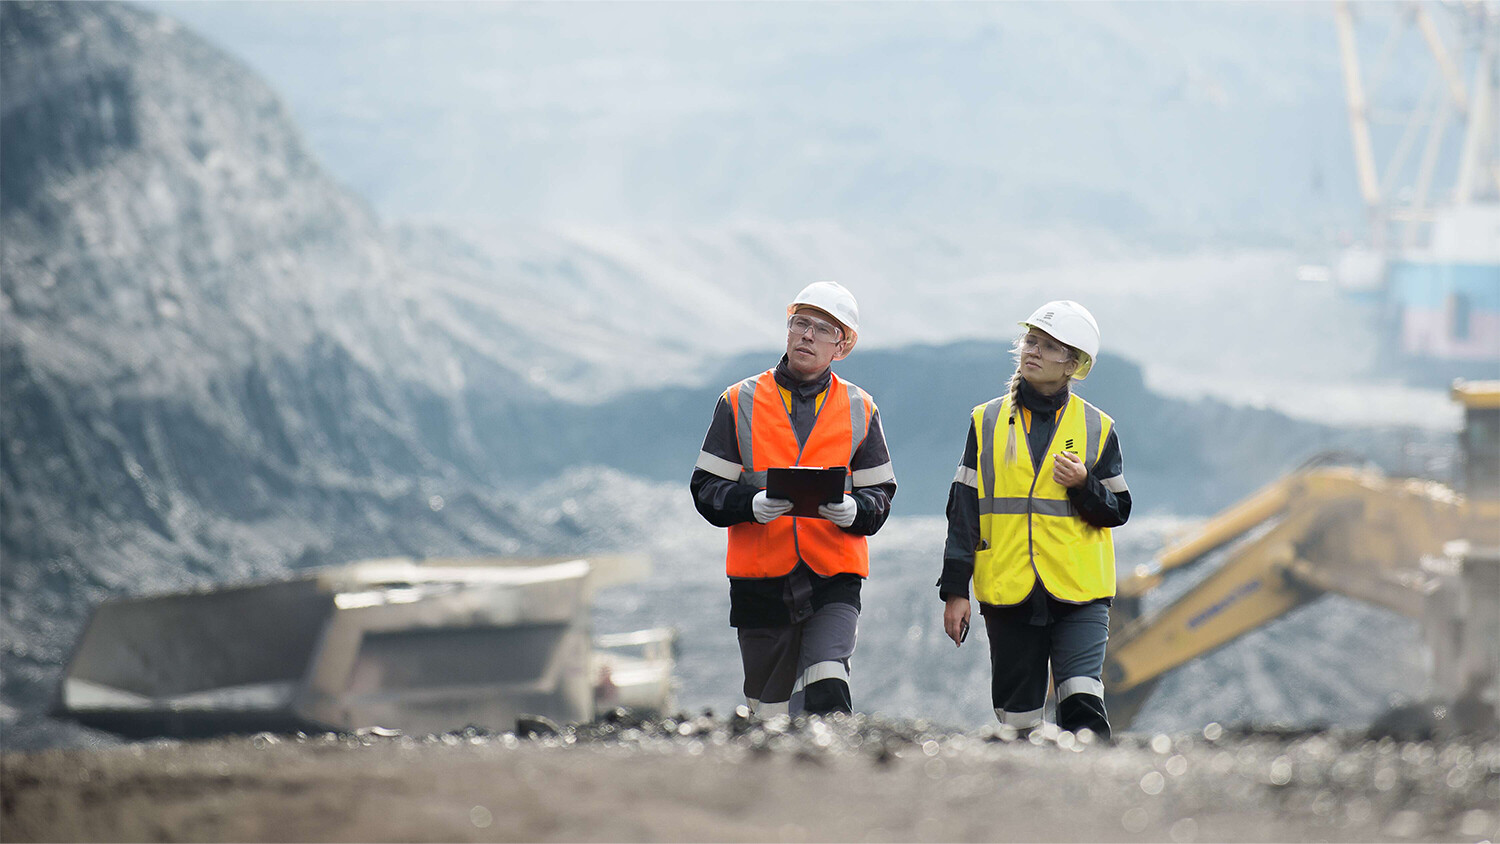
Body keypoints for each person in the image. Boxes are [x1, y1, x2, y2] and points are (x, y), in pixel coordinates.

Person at [691, 281, 896, 717]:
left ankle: (834, 782)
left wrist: (855, 511)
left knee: (827, 687)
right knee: (769, 714)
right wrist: (749, 504)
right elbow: (706, 489)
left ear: (842, 347)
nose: (807, 335)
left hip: (833, 578)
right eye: (801, 323)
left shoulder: (862, 408)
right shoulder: (738, 401)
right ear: (787, 331)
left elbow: (880, 493)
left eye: (823, 329)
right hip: (760, 583)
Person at [938, 300, 1130, 739]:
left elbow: (1118, 509)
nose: (1033, 351)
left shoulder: (1098, 427)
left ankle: (1091, 800)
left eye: (1048, 346)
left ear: (1073, 365)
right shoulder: (985, 421)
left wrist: (1084, 484)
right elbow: (963, 508)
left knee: (1083, 703)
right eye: (1031, 340)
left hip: (1080, 591)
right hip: (1009, 590)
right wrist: (955, 590)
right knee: (1017, 723)